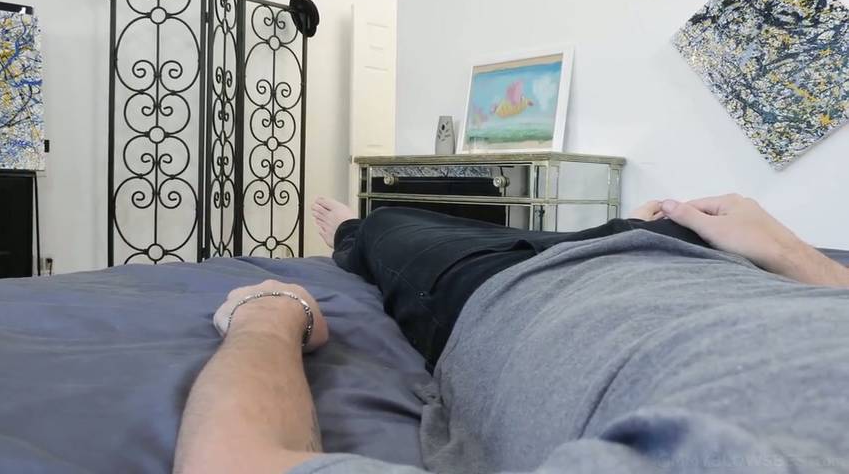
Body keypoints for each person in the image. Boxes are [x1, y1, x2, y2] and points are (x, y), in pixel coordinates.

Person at [172, 194, 849, 474]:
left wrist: (270, 310)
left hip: (505, 287)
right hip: (701, 253)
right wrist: (789, 251)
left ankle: (354, 230)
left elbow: (233, 463)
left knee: (390, 223)